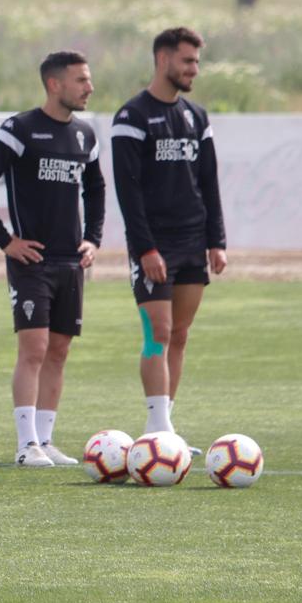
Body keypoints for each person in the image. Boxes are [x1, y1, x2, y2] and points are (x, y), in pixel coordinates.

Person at [0, 51, 105, 467]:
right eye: (81, 80)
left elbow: (96, 190)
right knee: (34, 348)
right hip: (32, 262)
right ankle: (26, 445)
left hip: (71, 262)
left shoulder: (85, 134)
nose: (89, 87)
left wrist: (92, 239)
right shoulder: (20, 129)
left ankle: (46, 440)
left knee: (59, 351)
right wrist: (6, 241)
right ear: (54, 84)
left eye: (88, 79)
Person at [111, 27, 227, 448]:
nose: (194, 69)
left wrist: (217, 241)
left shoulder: (197, 116)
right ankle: (155, 428)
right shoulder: (132, 117)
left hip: (193, 242)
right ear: (163, 60)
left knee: (179, 334)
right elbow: (128, 191)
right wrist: (145, 248)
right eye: (187, 61)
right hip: (153, 246)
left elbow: (209, 182)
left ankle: (168, 428)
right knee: (155, 332)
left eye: (196, 61)